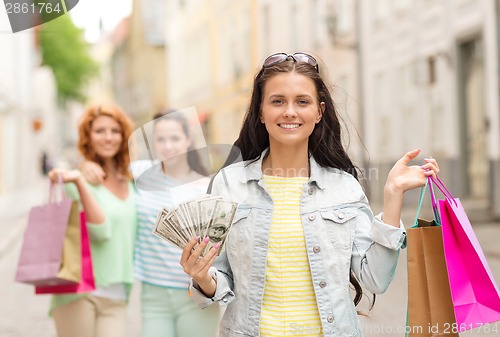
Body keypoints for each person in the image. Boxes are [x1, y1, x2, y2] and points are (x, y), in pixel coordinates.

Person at [180, 52, 440, 337]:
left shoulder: (344, 187)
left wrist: (392, 195)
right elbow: (219, 281)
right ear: (260, 112)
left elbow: (375, 279)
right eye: (277, 101)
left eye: (302, 101)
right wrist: (202, 277)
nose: (290, 111)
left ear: (319, 112)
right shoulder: (229, 183)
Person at [82, 110, 220, 337]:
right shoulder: (138, 173)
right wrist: (86, 164)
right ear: (153, 142)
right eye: (161, 139)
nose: (168, 146)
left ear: (187, 140)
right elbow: (104, 170)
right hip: (153, 294)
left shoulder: (205, 188)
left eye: (175, 138)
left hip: (194, 293)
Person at [48, 104, 137, 337]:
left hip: (117, 294)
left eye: (115, 131)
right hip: (79, 293)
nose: (108, 137)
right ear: (88, 137)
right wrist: (79, 180)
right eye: (99, 131)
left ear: (124, 136)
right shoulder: (74, 181)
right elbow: (101, 231)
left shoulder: (131, 181)